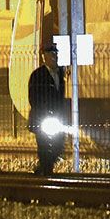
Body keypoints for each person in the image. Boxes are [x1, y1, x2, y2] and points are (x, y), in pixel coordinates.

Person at [28, 42, 69, 176]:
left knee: (57, 145)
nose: (54, 57)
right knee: (44, 145)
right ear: (44, 56)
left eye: (55, 54)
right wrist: (43, 113)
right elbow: (33, 97)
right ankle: (46, 171)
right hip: (42, 118)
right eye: (51, 54)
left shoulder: (60, 74)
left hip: (56, 117)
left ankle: (44, 169)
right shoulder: (37, 75)